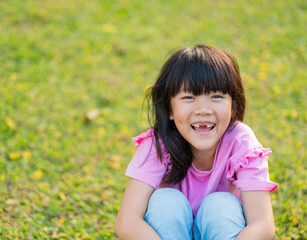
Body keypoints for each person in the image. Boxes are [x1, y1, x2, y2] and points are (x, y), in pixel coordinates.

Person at [115, 44, 278, 240]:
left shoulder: (241, 142)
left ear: (234, 107)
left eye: (216, 96)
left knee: (221, 204)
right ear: (169, 109)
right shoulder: (158, 144)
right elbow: (128, 221)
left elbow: (262, 225)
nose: (203, 109)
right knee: (165, 200)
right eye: (189, 97)